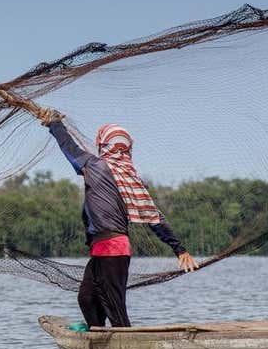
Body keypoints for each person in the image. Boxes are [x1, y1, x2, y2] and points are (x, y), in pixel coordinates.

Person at [46, 116, 198, 328]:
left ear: (103, 144)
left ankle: (124, 348)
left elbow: (68, 147)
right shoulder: (127, 177)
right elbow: (155, 217)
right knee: (87, 298)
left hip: (113, 250)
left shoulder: (95, 165)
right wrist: (179, 248)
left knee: (114, 308)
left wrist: (54, 124)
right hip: (102, 250)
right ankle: (98, 339)